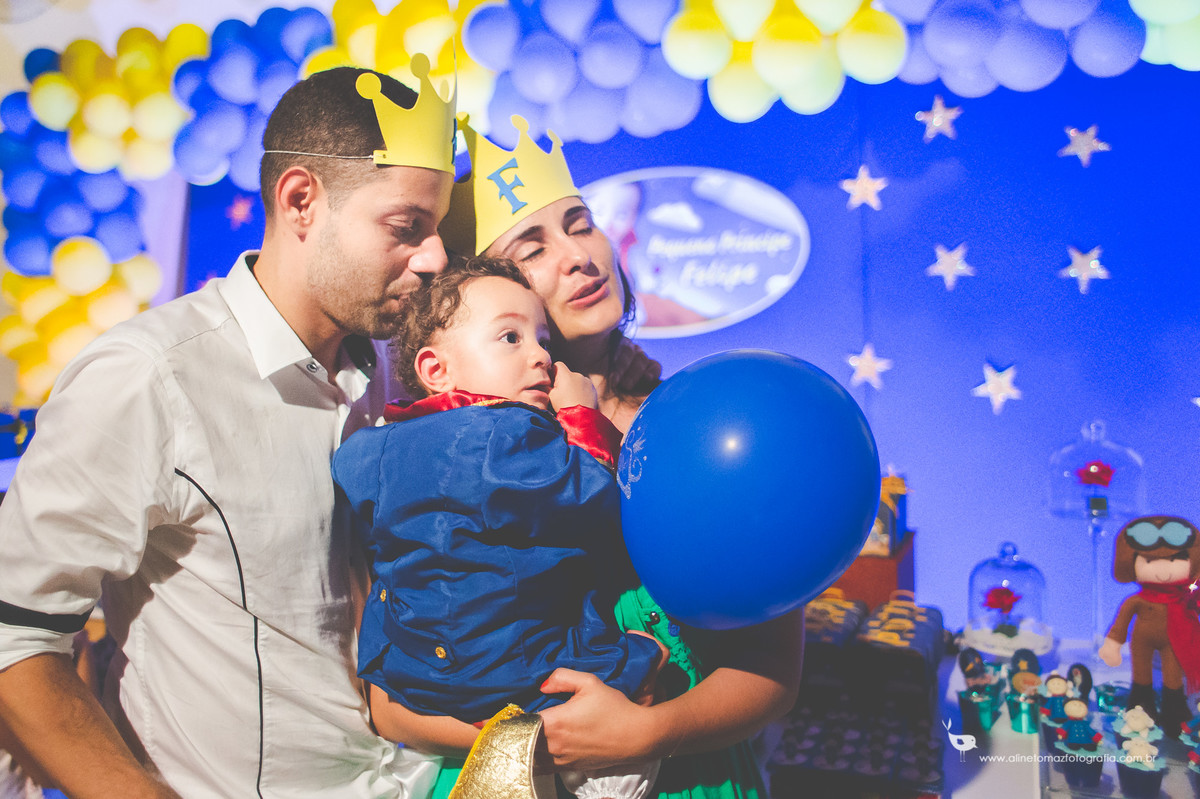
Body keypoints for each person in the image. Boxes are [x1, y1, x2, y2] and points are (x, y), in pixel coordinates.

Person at [0, 59, 457, 798]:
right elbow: (14, 633)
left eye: (435, 229)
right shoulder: (150, 375)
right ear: (301, 201)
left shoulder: (396, 375)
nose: (434, 257)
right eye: (407, 227)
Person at [394, 115, 804, 797]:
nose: (578, 256)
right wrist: (545, 736)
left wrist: (646, 732)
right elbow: (390, 704)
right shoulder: (447, 459)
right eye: (532, 248)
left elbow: (773, 668)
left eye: (580, 224)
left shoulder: (699, 425)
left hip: (690, 778)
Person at [334, 256, 666, 799]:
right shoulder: (506, 433)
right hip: (521, 675)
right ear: (435, 369)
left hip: (417, 679)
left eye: (543, 341)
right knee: (641, 659)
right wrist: (581, 417)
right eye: (511, 337)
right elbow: (595, 501)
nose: (541, 356)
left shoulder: (375, 446)